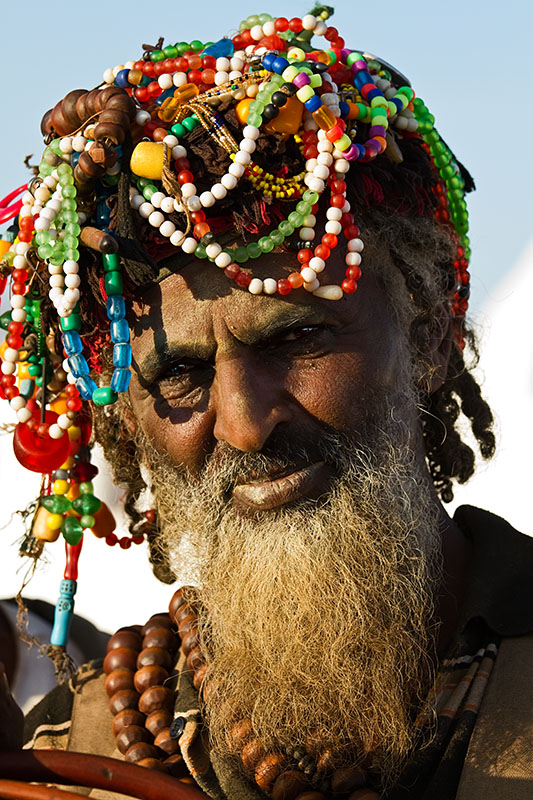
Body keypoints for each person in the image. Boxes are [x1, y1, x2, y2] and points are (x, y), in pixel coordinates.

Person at [0, 8, 532, 799]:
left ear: (430, 336)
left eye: (295, 339)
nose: (247, 424)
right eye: (178, 377)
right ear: (125, 423)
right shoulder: (79, 755)